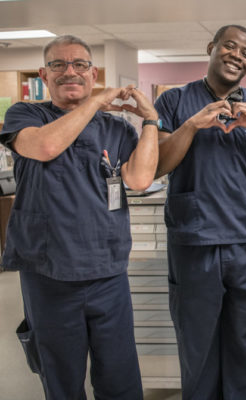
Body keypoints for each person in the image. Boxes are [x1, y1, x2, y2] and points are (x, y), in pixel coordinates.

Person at [0, 35, 159, 399]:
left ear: (93, 72)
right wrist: (98, 102)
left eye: (80, 65)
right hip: (49, 273)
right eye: (59, 64)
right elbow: (46, 146)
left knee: (119, 379)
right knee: (63, 379)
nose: (69, 72)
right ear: (44, 73)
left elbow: (139, 178)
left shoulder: (116, 129)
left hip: (108, 272)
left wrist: (150, 120)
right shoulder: (27, 115)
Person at [153, 24, 246, 400]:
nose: (237, 56)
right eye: (230, 46)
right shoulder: (174, 102)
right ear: (211, 47)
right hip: (195, 241)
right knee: (198, 343)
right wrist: (194, 124)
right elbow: (157, 165)